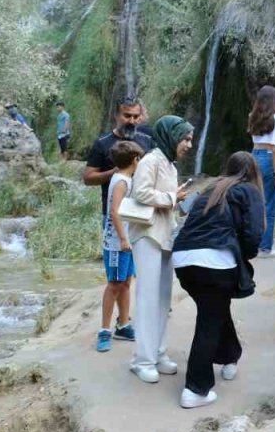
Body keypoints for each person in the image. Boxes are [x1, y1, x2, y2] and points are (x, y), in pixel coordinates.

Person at [171, 152, 265, 409]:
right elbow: (254, 234)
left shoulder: (210, 189)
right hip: (214, 261)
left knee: (214, 309)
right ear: (254, 172)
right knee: (209, 320)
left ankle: (229, 356)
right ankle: (195, 389)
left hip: (182, 258)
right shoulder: (248, 190)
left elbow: (186, 215)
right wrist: (244, 255)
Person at [128, 116, 194, 384]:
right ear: (170, 136)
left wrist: (179, 203)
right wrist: (171, 198)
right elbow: (140, 193)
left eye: (190, 139)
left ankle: (158, 352)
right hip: (147, 236)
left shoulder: (169, 163)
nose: (189, 144)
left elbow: (166, 199)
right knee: (147, 298)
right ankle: (141, 360)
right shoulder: (150, 161)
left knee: (163, 299)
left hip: (166, 235)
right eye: (185, 138)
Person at [97, 141, 141, 352]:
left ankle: (123, 324)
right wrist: (123, 239)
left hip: (127, 242)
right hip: (117, 244)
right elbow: (114, 212)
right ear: (135, 160)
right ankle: (104, 330)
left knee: (125, 283)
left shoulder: (125, 179)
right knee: (114, 284)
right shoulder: (121, 181)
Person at [84, 98, 154, 218]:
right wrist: (113, 172)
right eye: (127, 116)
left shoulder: (148, 140)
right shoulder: (102, 143)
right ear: (116, 116)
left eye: (136, 117)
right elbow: (88, 178)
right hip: (114, 213)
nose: (132, 121)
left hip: (142, 211)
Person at [248, 85, 275, 257]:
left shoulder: (252, 116)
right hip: (270, 157)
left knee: (255, 201)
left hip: (254, 155)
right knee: (270, 203)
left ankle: (252, 243)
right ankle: (265, 247)